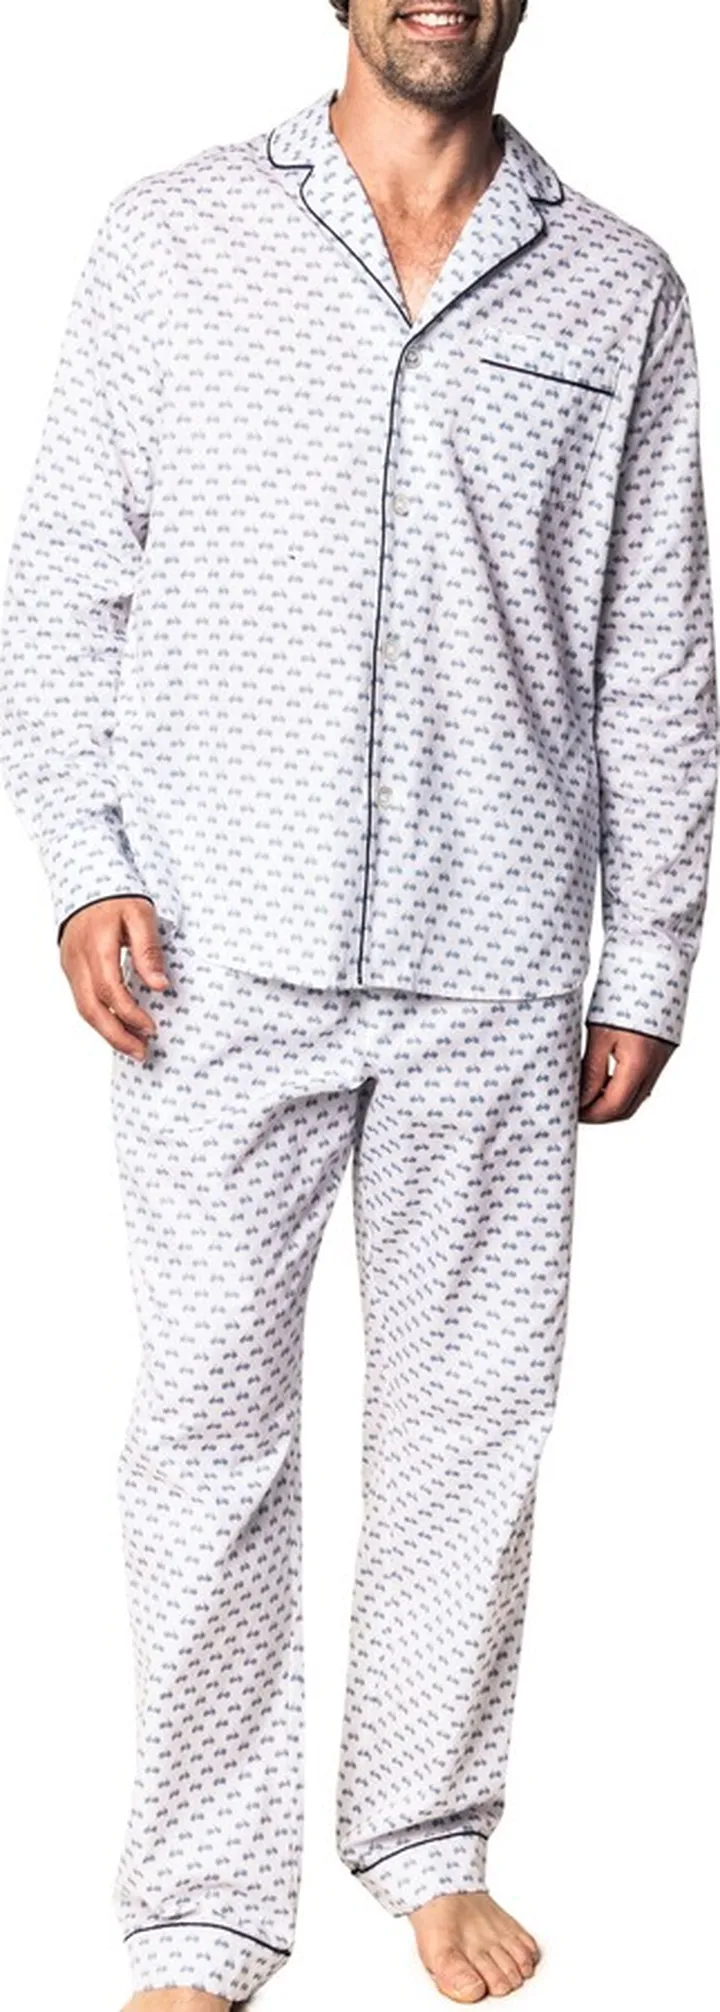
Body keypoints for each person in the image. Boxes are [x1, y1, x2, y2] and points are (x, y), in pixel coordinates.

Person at [0, 0, 717, 2005]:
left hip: (499, 954)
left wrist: (649, 949)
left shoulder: (621, 289)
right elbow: (65, 575)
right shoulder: (171, 238)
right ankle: (200, 1913)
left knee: (471, 1425)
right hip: (213, 950)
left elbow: (658, 646)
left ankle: (429, 1837)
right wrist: (88, 864)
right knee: (206, 1436)